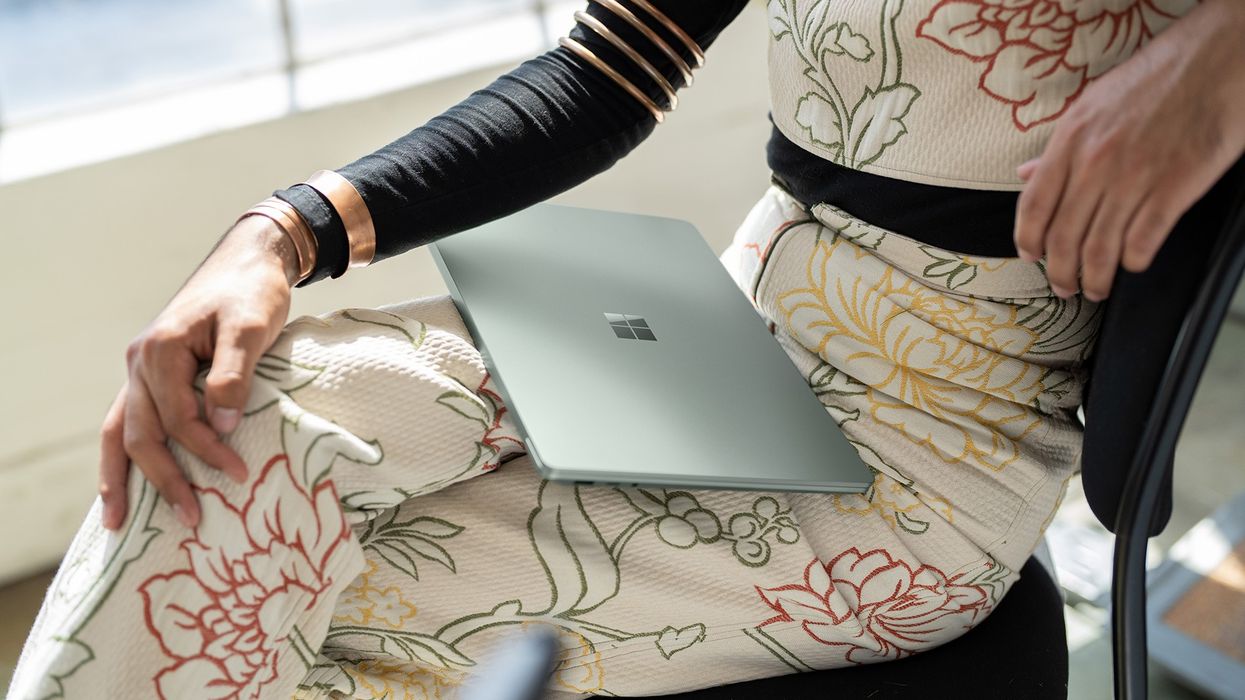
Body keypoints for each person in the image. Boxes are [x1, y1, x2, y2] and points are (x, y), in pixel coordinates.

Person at [10, 0, 1245, 698]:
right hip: (722, 337)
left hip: (920, 464)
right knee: (239, 421)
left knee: (277, 616)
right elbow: (608, 71)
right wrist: (279, 234)